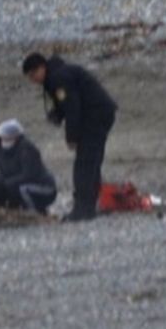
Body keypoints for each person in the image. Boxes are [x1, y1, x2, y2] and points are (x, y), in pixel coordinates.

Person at [22, 52, 118, 222]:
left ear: (41, 68)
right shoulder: (58, 75)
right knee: (92, 161)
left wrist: (71, 137)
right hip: (99, 114)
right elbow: (67, 103)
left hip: (95, 117)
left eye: (32, 75)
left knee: (84, 164)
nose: (33, 80)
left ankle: (83, 209)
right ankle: (89, 205)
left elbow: (73, 107)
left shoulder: (59, 78)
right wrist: (57, 115)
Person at [0, 119, 57, 214]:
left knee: (22, 189)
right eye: (3, 138)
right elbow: (3, 172)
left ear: (16, 137)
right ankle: (11, 210)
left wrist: (6, 184)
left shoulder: (27, 149)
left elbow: (29, 175)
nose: (4, 140)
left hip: (44, 187)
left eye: (8, 138)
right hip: (18, 183)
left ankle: (34, 213)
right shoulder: (1, 149)